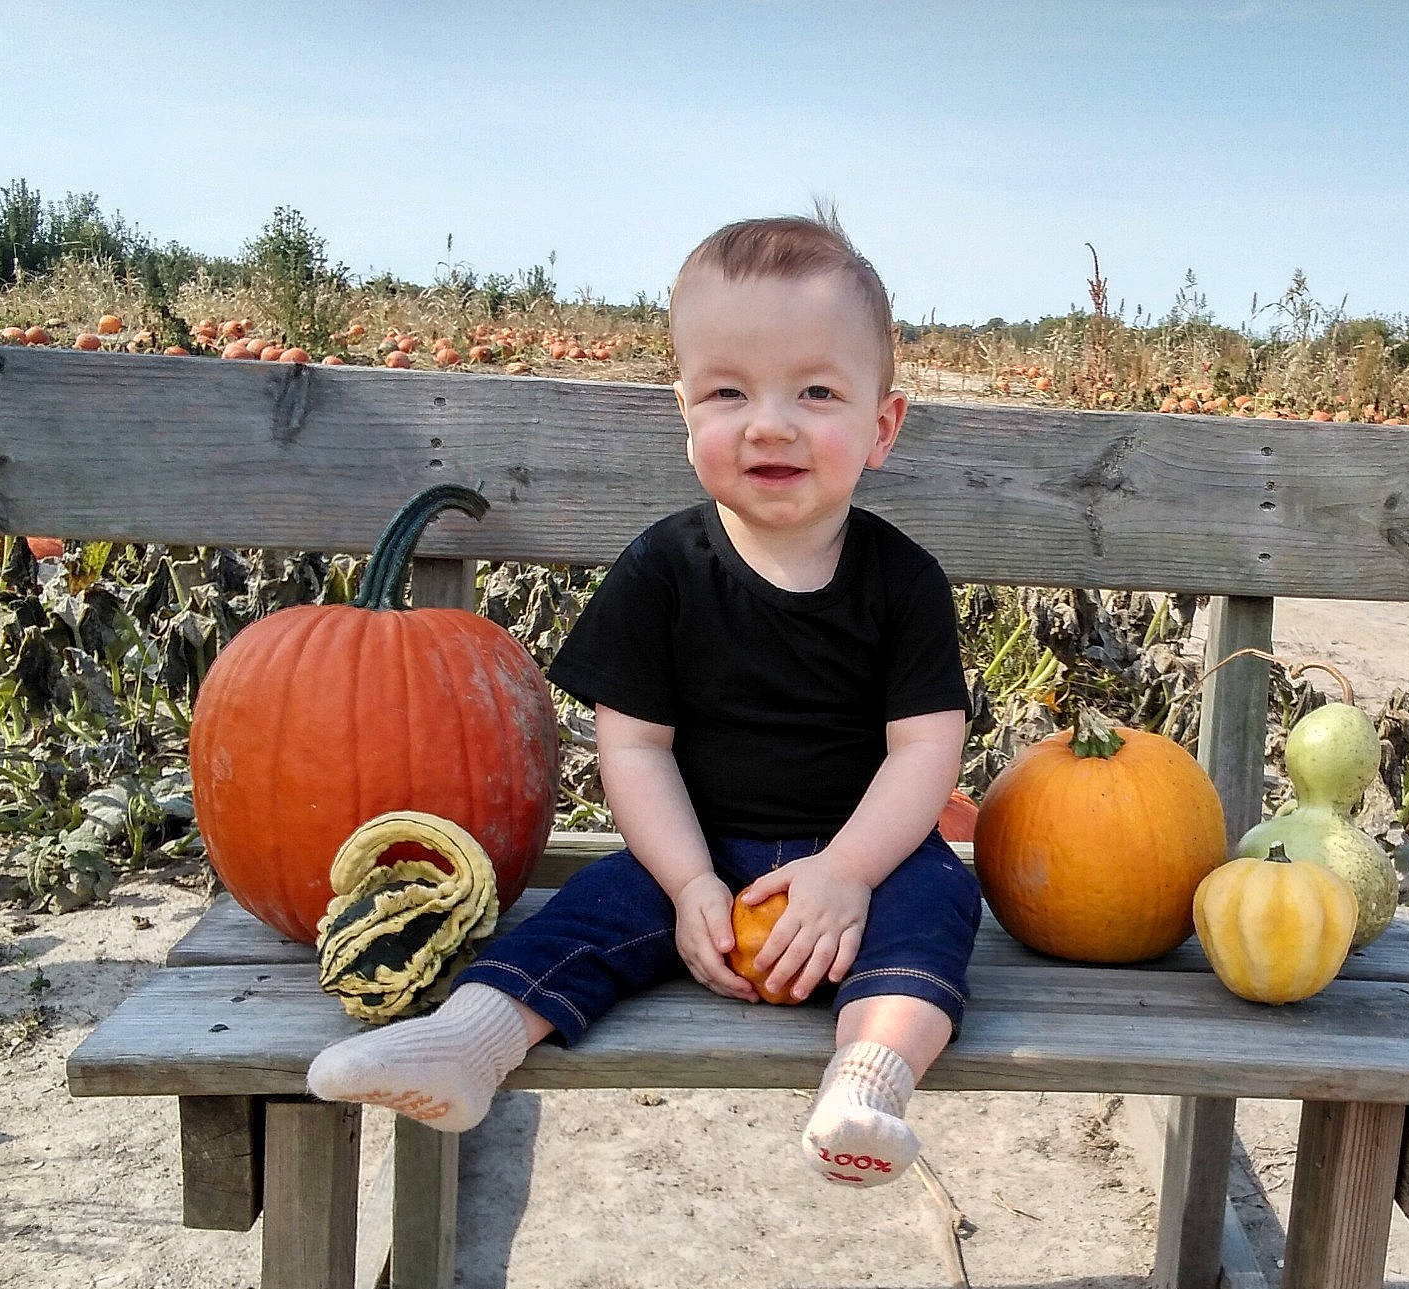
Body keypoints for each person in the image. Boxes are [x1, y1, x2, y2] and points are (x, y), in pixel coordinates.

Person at [307, 212, 981, 1189]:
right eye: (728, 391)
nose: (769, 421)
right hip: (696, 850)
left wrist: (846, 872)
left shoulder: (903, 581)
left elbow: (924, 750)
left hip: (862, 859)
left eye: (816, 391)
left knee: (938, 903)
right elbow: (634, 750)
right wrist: (686, 884)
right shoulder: (662, 569)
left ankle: (865, 1082)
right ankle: (464, 1043)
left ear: (881, 425)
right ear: (685, 412)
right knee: (587, 910)